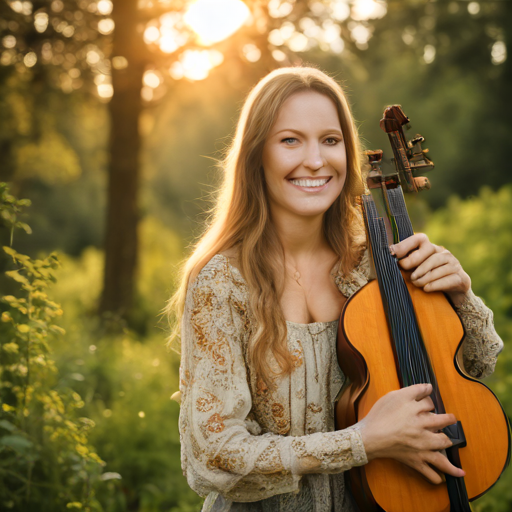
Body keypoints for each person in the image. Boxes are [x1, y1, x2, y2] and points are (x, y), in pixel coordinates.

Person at [168, 67, 503, 512]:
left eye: (330, 140)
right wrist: (362, 440)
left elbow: (477, 368)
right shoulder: (221, 282)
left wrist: (460, 296)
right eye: (290, 140)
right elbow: (214, 456)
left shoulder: (377, 266)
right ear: (256, 156)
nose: (315, 160)